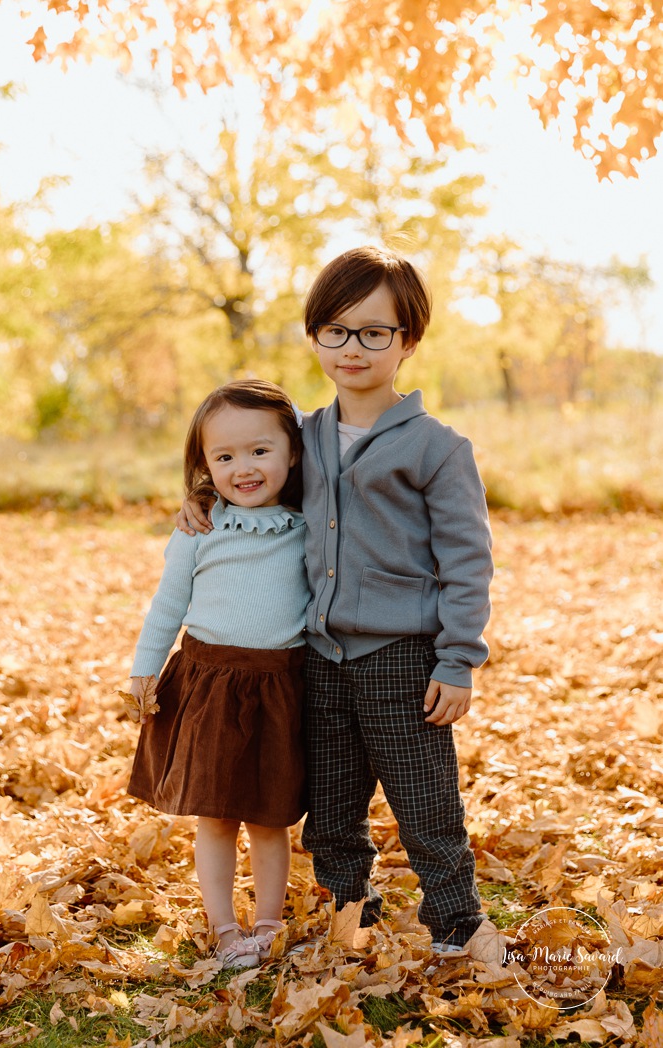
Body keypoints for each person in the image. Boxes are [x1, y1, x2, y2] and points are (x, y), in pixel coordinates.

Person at [179, 246, 493, 955]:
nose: (353, 348)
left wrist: (457, 660)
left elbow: (467, 562)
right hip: (315, 657)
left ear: (407, 341)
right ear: (315, 334)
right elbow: (246, 474)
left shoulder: (437, 448)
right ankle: (350, 913)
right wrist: (202, 500)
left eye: (374, 332)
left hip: (400, 657)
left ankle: (457, 922)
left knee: (424, 803)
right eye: (336, 330)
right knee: (329, 807)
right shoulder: (302, 436)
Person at [127, 379, 309, 969]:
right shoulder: (200, 528)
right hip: (209, 686)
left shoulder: (309, 524)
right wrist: (142, 670)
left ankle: (269, 922)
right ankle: (225, 928)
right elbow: (167, 603)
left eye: (260, 450)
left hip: (280, 686)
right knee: (217, 813)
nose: (244, 467)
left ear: (293, 452)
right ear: (203, 466)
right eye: (223, 456)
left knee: (270, 813)